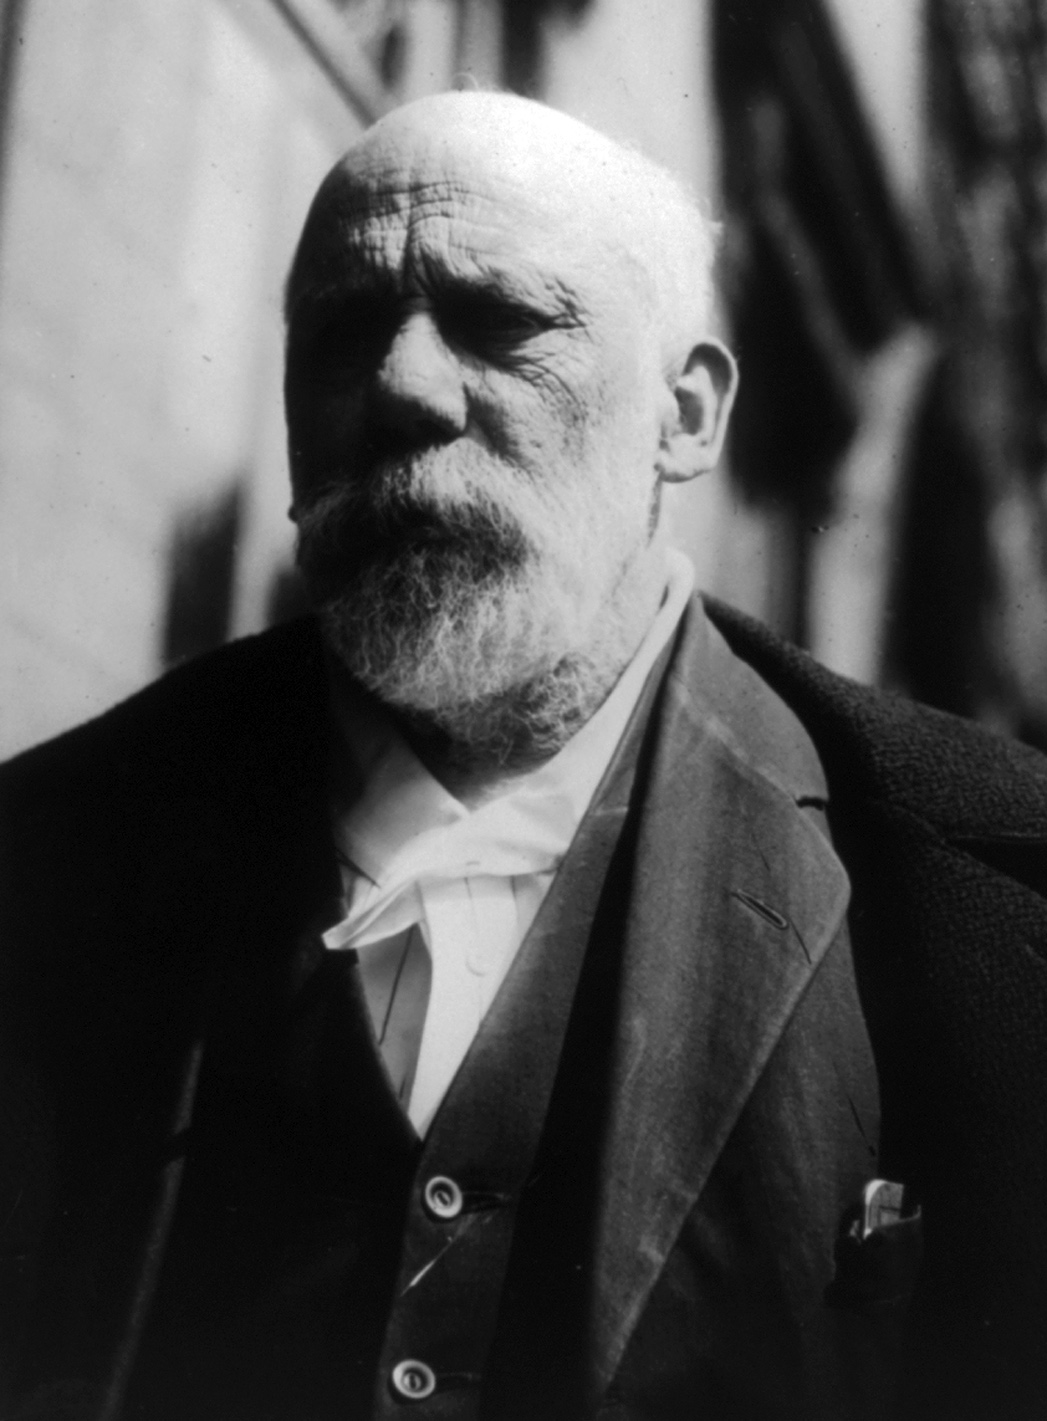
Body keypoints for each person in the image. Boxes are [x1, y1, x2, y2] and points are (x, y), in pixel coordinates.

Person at [2, 90, 1047, 1421]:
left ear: (686, 416)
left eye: (499, 321)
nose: (401, 386)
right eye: (343, 329)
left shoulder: (993, 910)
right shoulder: (49, 862)